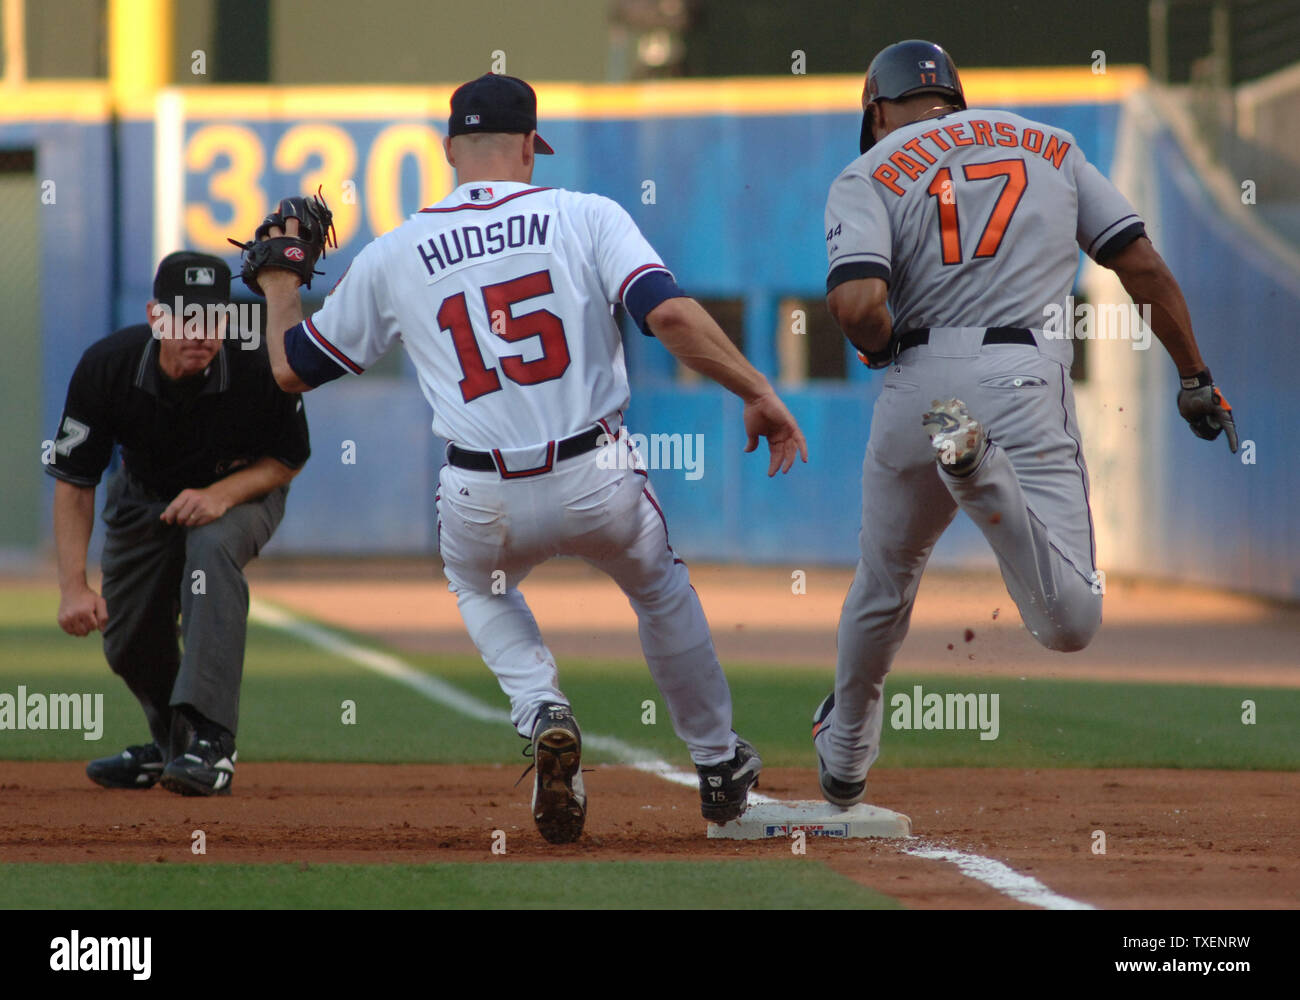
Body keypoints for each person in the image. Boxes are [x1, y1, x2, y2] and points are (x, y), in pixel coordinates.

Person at [247, 73, 807, 843]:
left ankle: (542, 707)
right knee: (658, 588)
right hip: (596, 475)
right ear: (527, 147)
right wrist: (756, 388)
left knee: (479, 588)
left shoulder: (397, 249)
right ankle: (715, 764)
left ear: (449, 151)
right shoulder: (586, 215)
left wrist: (281, 281)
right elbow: (670, 315)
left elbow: (289, 368)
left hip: (483, 492)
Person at [813, 40, 1237, 806]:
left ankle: (844, 753)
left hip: (919, 385)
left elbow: (856, 306)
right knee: (1070, 622)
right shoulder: (1052, 144)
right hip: (1023, 376)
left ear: (876, 110)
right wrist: (1195, 376)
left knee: (881, 588)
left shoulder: (867, 171)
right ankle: (979, 471)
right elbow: (1139, 264)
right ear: (957, 98)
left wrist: (879, 350)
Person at [47, 251, 311, 796]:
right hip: (143, 498)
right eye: (184, 317)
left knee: (211, 551)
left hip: (242, 489)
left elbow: (288, 458)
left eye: (212, 317)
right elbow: (75, 480)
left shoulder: (257, 360)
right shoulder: (108, 367)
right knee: (127, 640)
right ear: (155, 316)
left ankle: (211, 743)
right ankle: (175, 747)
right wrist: (73, 585)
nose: (200, 331)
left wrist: (219, 496)